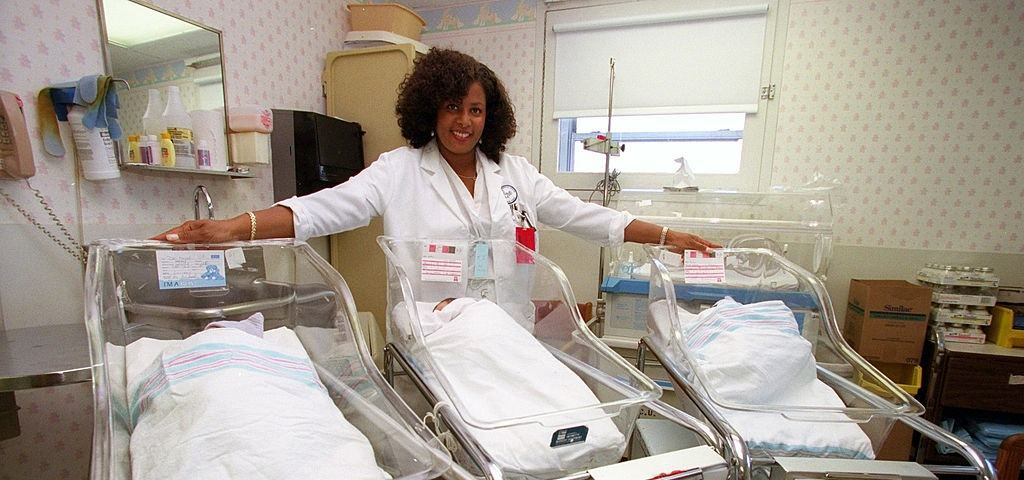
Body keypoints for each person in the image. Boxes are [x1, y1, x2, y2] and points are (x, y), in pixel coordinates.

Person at [155, 48, 718, 256]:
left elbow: (589, 217)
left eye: (475, 110)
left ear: (488, 116)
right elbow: (325, 207)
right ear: (431, 110)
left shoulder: (515, 175)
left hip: (503, 336)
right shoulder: (398, 171)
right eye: (453, 108)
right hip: (432, 340)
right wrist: (232, 227)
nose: (464, 122)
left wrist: (667, 237)